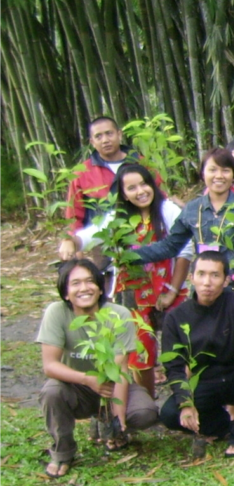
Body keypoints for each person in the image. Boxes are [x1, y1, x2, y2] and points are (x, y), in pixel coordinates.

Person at [72, 163, 190, 397]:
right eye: (132, 188)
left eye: (144, 184)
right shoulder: (117, 218)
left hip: (170, 289)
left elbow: (184, 252)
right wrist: (71, 242)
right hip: (132, 294)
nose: (140, 191)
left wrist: (173, 291)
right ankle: (147, 402)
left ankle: (185, 401)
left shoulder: (168, 211)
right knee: (140, 353)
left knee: (182, 348)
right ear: (123, 193)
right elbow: (88, 236)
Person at [37, 259, 158, 476]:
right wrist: (87, 379)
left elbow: (120, 369)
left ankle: (113, 430)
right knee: (52, 392)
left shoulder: (118, 314)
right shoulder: (57, 312)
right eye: (75, 283)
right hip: (77, 386)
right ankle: (62, 452)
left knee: (144, 412)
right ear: (65, 293)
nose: (84, 288)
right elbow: (50, 366)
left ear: (100, 288)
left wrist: (118, 418)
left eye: (90, 281)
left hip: (112, 386)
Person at [159, 251, 234, 457]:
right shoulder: (176, 317)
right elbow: (174, 367)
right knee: (169, 414)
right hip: (205, 381)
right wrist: (185, 403)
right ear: (191, 278)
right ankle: (221, 426)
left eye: (215, 275)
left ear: (226, 280)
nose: (207, 282)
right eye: (201, 274)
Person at [130, 148, 234, 283]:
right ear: (203, 174)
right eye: (212, 170)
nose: (219, 176)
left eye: (225, 170)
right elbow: (170, 246)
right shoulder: (192, 209)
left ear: (233, 176)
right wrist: (130, 257)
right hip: (203, 285)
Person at [59, 116, 142, 258]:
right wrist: (76, 247)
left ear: (119, 134)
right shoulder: (82, 173)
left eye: (109, 133)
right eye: (98, 136)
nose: (105, 140)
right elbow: (73, 216)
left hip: (141, 240)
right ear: (92, 142)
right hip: (100, 246)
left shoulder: (140, 163)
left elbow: (160, 196)